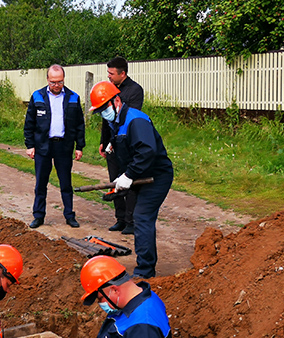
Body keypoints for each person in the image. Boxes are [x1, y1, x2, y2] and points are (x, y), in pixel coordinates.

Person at [89, 81, 173, 279]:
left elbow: (147, 151)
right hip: (140, 175)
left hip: (157, 175)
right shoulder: (116, 121)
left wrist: (128, 175)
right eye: (99, 110)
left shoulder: (136, 120)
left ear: (116, 100)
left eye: (104, 108)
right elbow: (129, 151)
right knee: (138, 216)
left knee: (142, 217)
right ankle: (145, 264)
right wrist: (122, 180)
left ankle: (145, 271)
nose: (102, 113)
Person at [23, 64, 86, 229]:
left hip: (64, 147)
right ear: (47, 80)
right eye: (53, 82)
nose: (56, 85)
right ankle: (38, 216)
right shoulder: (37, 97)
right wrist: (30, 145)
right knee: (41, 184)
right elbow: (29, 123)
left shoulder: (73, 97)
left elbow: (80, 124)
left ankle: (70, 216)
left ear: (64, 79)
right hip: (43, 146)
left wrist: (79, 146)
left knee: (66, 184)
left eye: (59, 82)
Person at [99, 57, 144, 235]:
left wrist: (114, 141)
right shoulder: (109, 89)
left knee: (128, 182)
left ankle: (131, 221)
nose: (108, 76)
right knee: (114, 180)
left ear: (122, 73)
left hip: (126, 144)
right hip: (111, 146)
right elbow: (106, 117)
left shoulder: (135, 90)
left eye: (111, 73)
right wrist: (104, 142)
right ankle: (120, 218)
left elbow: (129, 118)